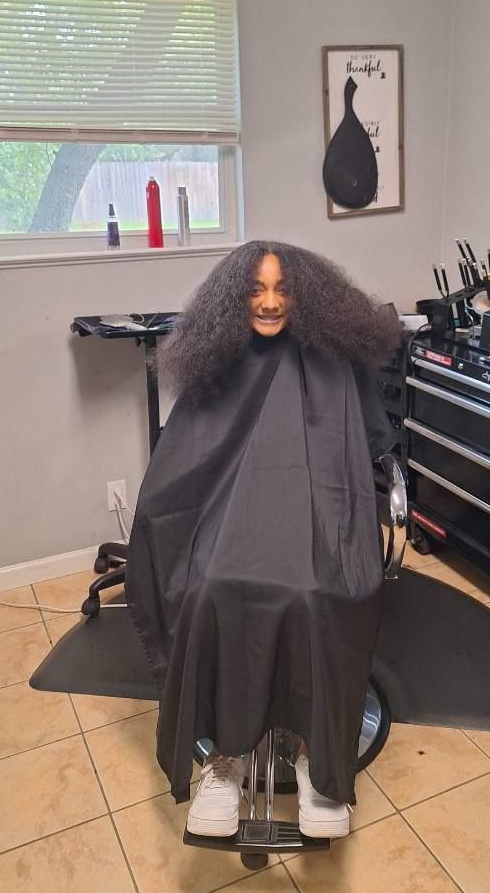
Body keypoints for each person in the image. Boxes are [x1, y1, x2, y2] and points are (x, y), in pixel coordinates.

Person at [125, 240, 400, 840]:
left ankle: (315, 764)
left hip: (319, 525)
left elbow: (363, 454)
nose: (271, 303)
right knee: (210, 590)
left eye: (283, 289)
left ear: (307, 297)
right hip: (225, 526)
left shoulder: (333, 360)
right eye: (256, 290)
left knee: (314, 594)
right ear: (234, 298)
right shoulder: (216, 360)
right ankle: (226, 758)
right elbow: (189, 463)